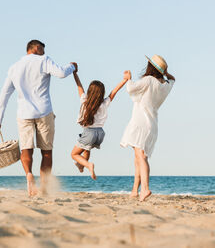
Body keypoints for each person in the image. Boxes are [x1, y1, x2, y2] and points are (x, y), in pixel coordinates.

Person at [0, 40, 77, 196]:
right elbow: (61, 73)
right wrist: (72, 66)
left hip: (23, 113)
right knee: (46, 152)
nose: (44, 53)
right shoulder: (43, 60)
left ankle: (29, 175)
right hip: (44, 112)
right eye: (42, 50)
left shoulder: (14, 67)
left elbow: (4, 95)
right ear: (36, 48)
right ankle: (44, 187)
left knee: (26, 149)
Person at [120, 55, 175, 201]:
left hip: (140, 123)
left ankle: (145, 189)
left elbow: (130, 88)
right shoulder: (165, 85)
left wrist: (128, 78)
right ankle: (134, 190)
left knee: (141, 157)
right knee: (138, 157)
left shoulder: (149, 80)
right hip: (152, 125)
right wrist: (165, 72)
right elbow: (173, 79)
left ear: (150, 66)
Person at [71, 71, 129, 179]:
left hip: (89, 132)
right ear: (101, 93)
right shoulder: (104, 103)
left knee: (74, 154)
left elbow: (79, 87)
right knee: (86, 150)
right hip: (100, 133)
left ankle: (88, 165)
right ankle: (81, 165)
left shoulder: (85, 101)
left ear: (89, 91)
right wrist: (125, 80)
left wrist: (75, 74)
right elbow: (114, 91)